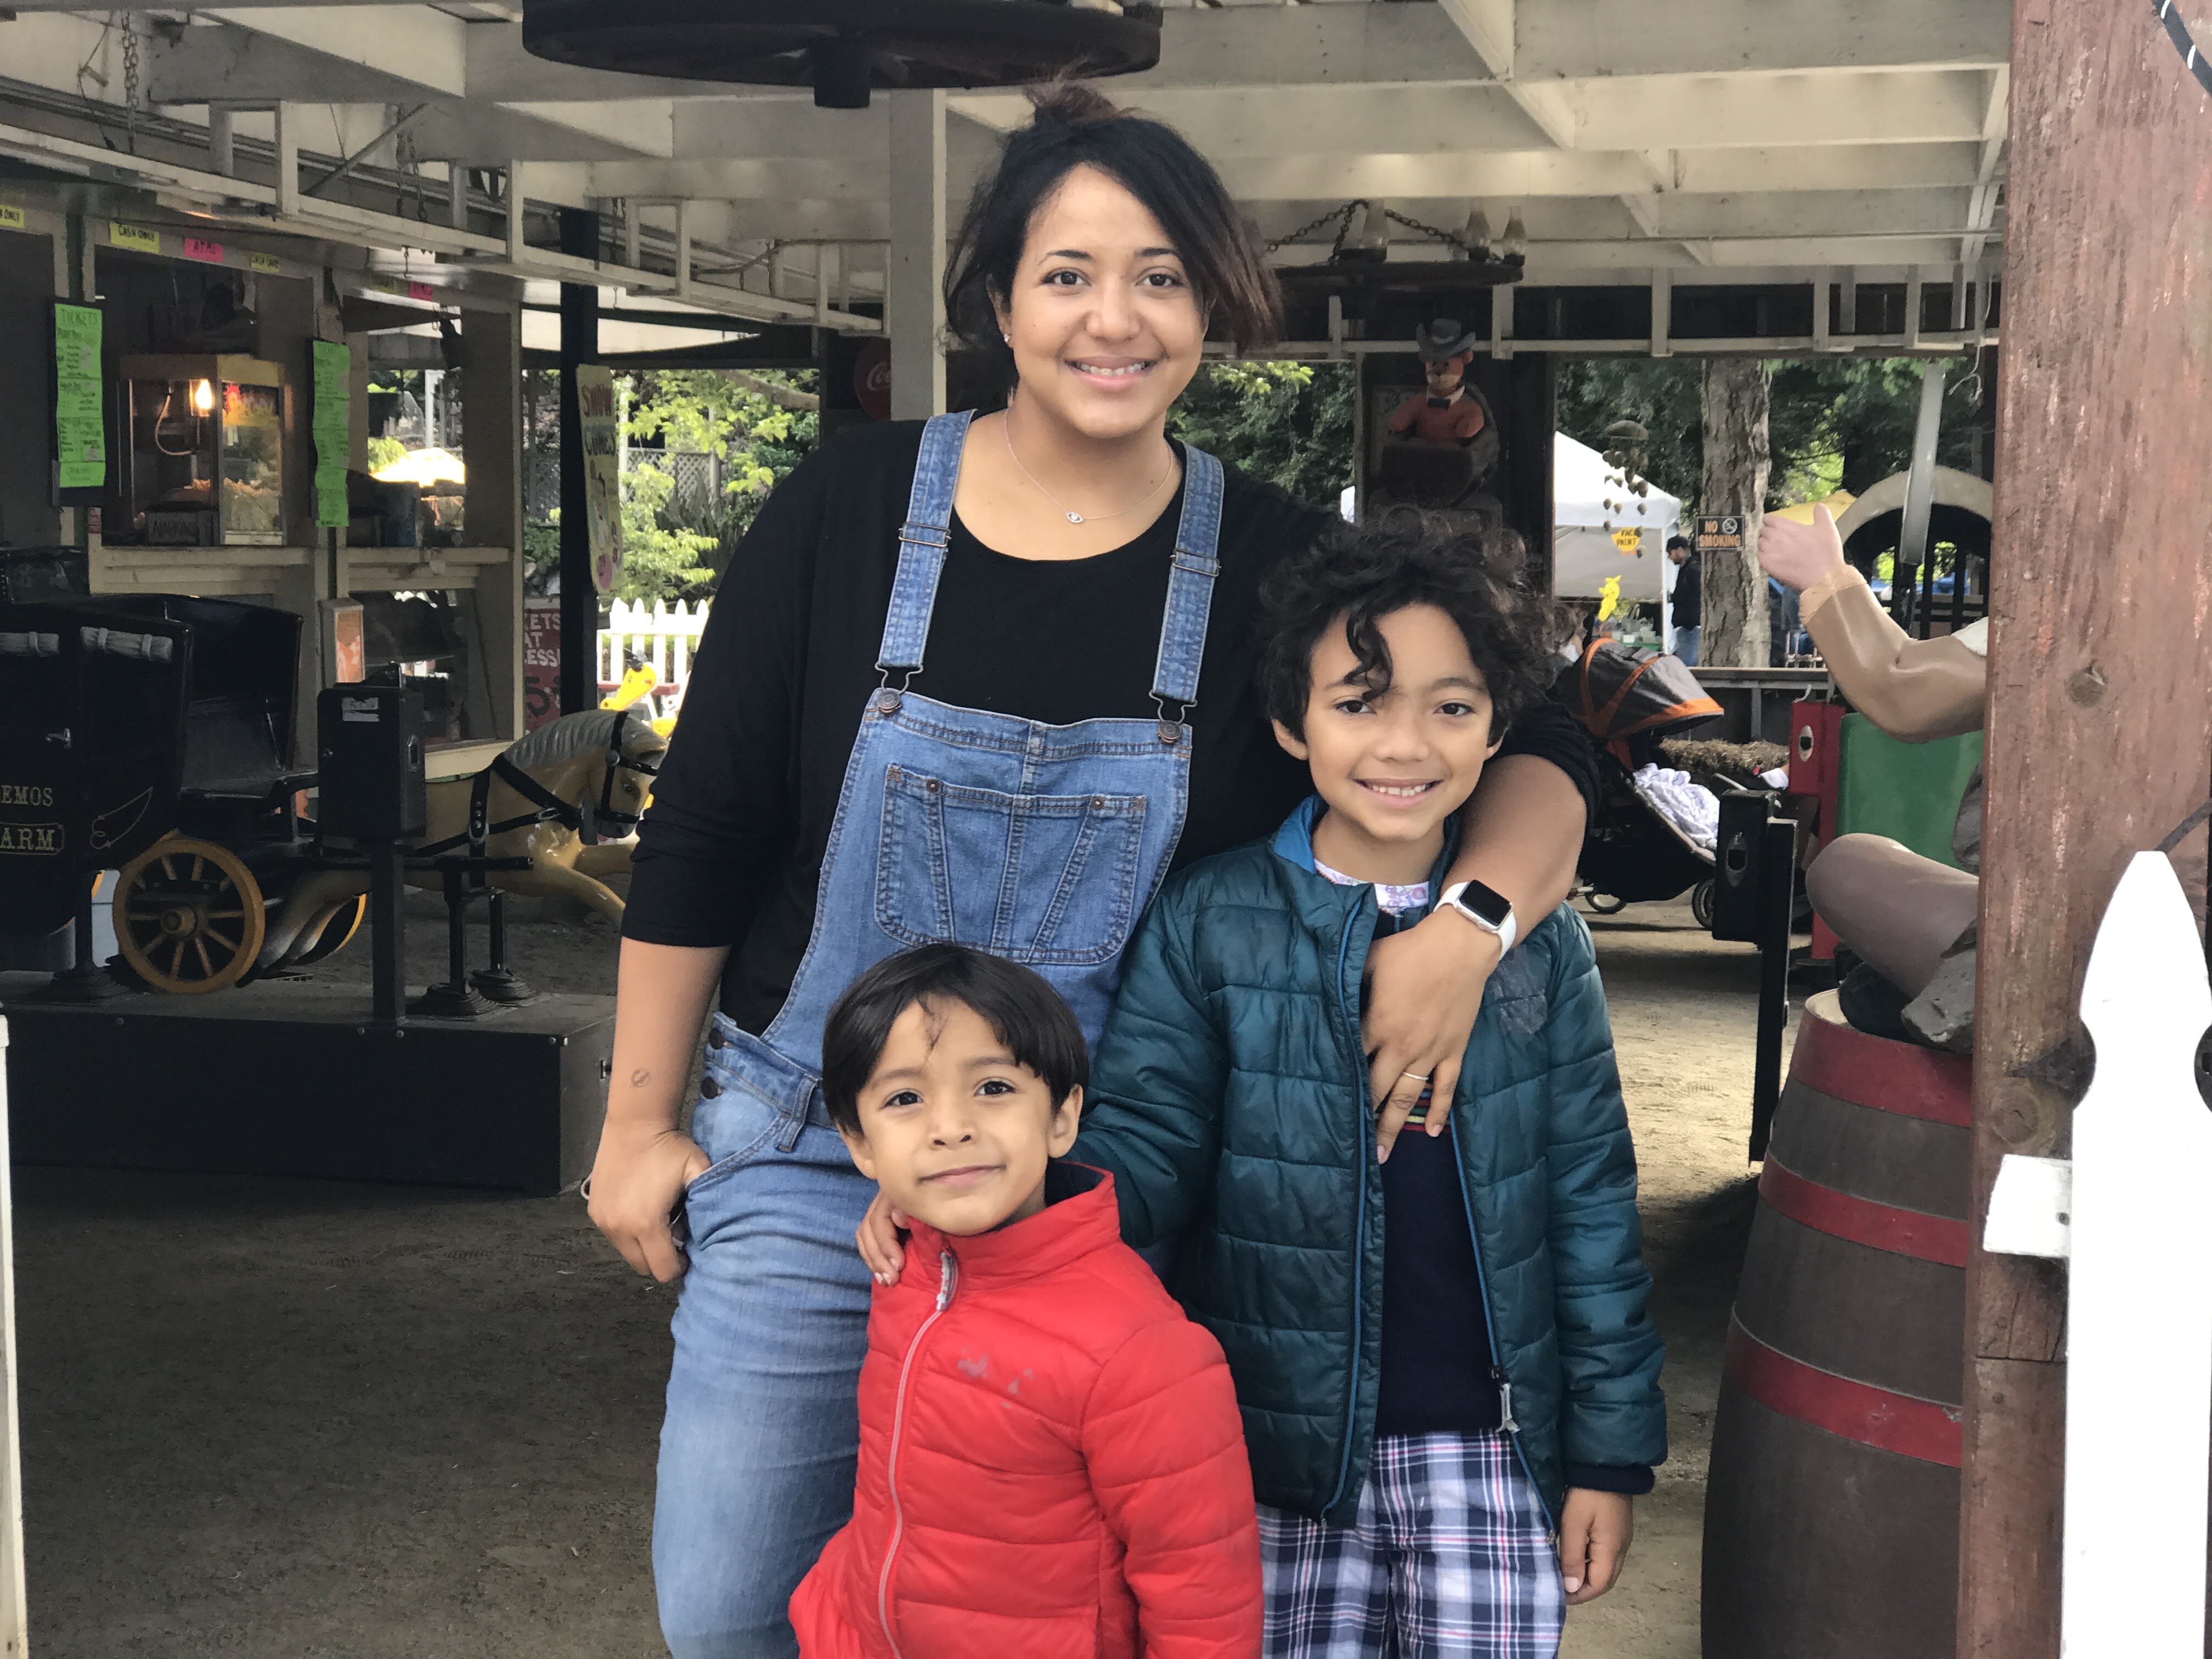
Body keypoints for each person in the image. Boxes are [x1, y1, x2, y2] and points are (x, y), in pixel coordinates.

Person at [593, 82, 1599, 1659]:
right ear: (999, 301)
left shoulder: (1274, 561)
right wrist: (638, 1122)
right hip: (814, 1150)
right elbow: (705, 830)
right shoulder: (849, 511)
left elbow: (1547, 746)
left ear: (1211, 308)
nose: (1113, 319)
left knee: (1055, 1614)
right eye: (1067, 275)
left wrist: (1470, 927)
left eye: (1161, 278)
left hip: (1099, 1182)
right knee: (734, 1609)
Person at [862, 512, 1666, 1659]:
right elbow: (1149, 1146)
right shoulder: (1211, 917)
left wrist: (1608, 1456)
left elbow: (1592, 1206)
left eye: (1452, 706)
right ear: (1292, 723)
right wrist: (995, 1190)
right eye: (1360, 703)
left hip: (1489, 1452)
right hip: (1269, 1458)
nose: (1405, 743)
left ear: (1499, 726)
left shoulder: (1540, 946)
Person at [792, 944, 1260, 1659]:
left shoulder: (1142, 1350)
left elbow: (1203, 1595)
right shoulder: (906, 1263)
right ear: (860, 1145)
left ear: (1062, 1118)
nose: (951, 1127)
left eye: (993, 1088)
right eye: (905, 1099)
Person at [1666, 534, 1701, 664]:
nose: (1670, 557)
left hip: (1690, 626)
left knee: (1687, 664)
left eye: (1671, 553)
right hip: (1685, 625)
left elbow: (1694, 595)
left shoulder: (1694, 569)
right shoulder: (1685, 569)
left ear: (1680, 550)